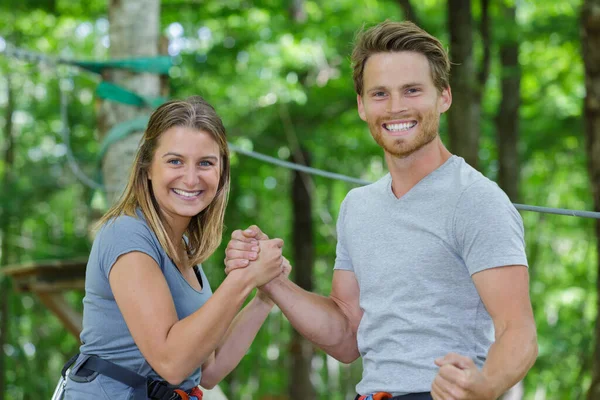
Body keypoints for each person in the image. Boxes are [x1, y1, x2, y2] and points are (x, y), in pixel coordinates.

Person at [224, 21, 538, 400]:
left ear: (444, 96)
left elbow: (518, 332)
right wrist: (270, 279)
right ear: (361, 105)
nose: (395, 107)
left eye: (412, 90)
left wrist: (484, 386)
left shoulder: (476, 199)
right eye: (379, 94)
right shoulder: (358, 206)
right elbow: (345, 337)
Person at [63, 96, 288, 400]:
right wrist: (243, 279)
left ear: (221, 173)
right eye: (175, 161)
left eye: (206, 163)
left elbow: (208, 369)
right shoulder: (127, 234)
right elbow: (171, 362)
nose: (191, 178)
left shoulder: (184, 250)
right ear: (148, 168)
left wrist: (265, 293)